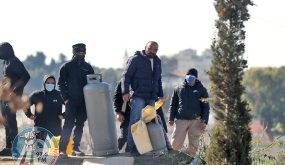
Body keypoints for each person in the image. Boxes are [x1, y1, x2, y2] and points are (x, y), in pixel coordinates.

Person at [122, 41, 164, 156]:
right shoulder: (135, 59)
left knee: (149, 124)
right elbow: (126, 76)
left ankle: (146, 149)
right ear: (145, 47)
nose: (152, 51)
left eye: (155, 50)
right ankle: (132, 149)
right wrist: (125, 91)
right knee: (135, 123)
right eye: (150, 48)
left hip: (151, 97)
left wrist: (161, 94)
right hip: (138, 96)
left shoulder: (157, 61)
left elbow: (158, 79)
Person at [57, 43, 94, 158]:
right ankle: (62, 150)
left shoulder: (88, 67)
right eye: (78, 52)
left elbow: (93, 83)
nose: (81, 54)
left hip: (84, 102)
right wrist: (66, 99)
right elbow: (60, 84)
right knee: (68, 124)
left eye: (83, 52)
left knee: (80, 124)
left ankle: (75, 148)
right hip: (71, 101)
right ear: (74, 52)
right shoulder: (66, 66)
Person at [168, 68, 210, 157]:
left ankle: (191, 161)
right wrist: (171, 118)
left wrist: (204, 121)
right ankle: (173, 160)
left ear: (196, 78)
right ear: (186, 77)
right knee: (175, 144)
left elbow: (206, 107)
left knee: (194, 146)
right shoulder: (178, 88)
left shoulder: (202, 90)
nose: (191, 79)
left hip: (196, 122)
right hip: (181, 120)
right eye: (189, 77)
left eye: (193, 77)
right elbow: (173, 104)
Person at [0, 42, 30, 156]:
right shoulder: (5, 62)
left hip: (13, 97)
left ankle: (15, 148)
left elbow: (26, 76)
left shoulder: (14, 62)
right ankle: (9, 147)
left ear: (6, 51)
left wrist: (14, 91)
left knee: (11, 122)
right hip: (4, 97)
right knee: (6, 122)